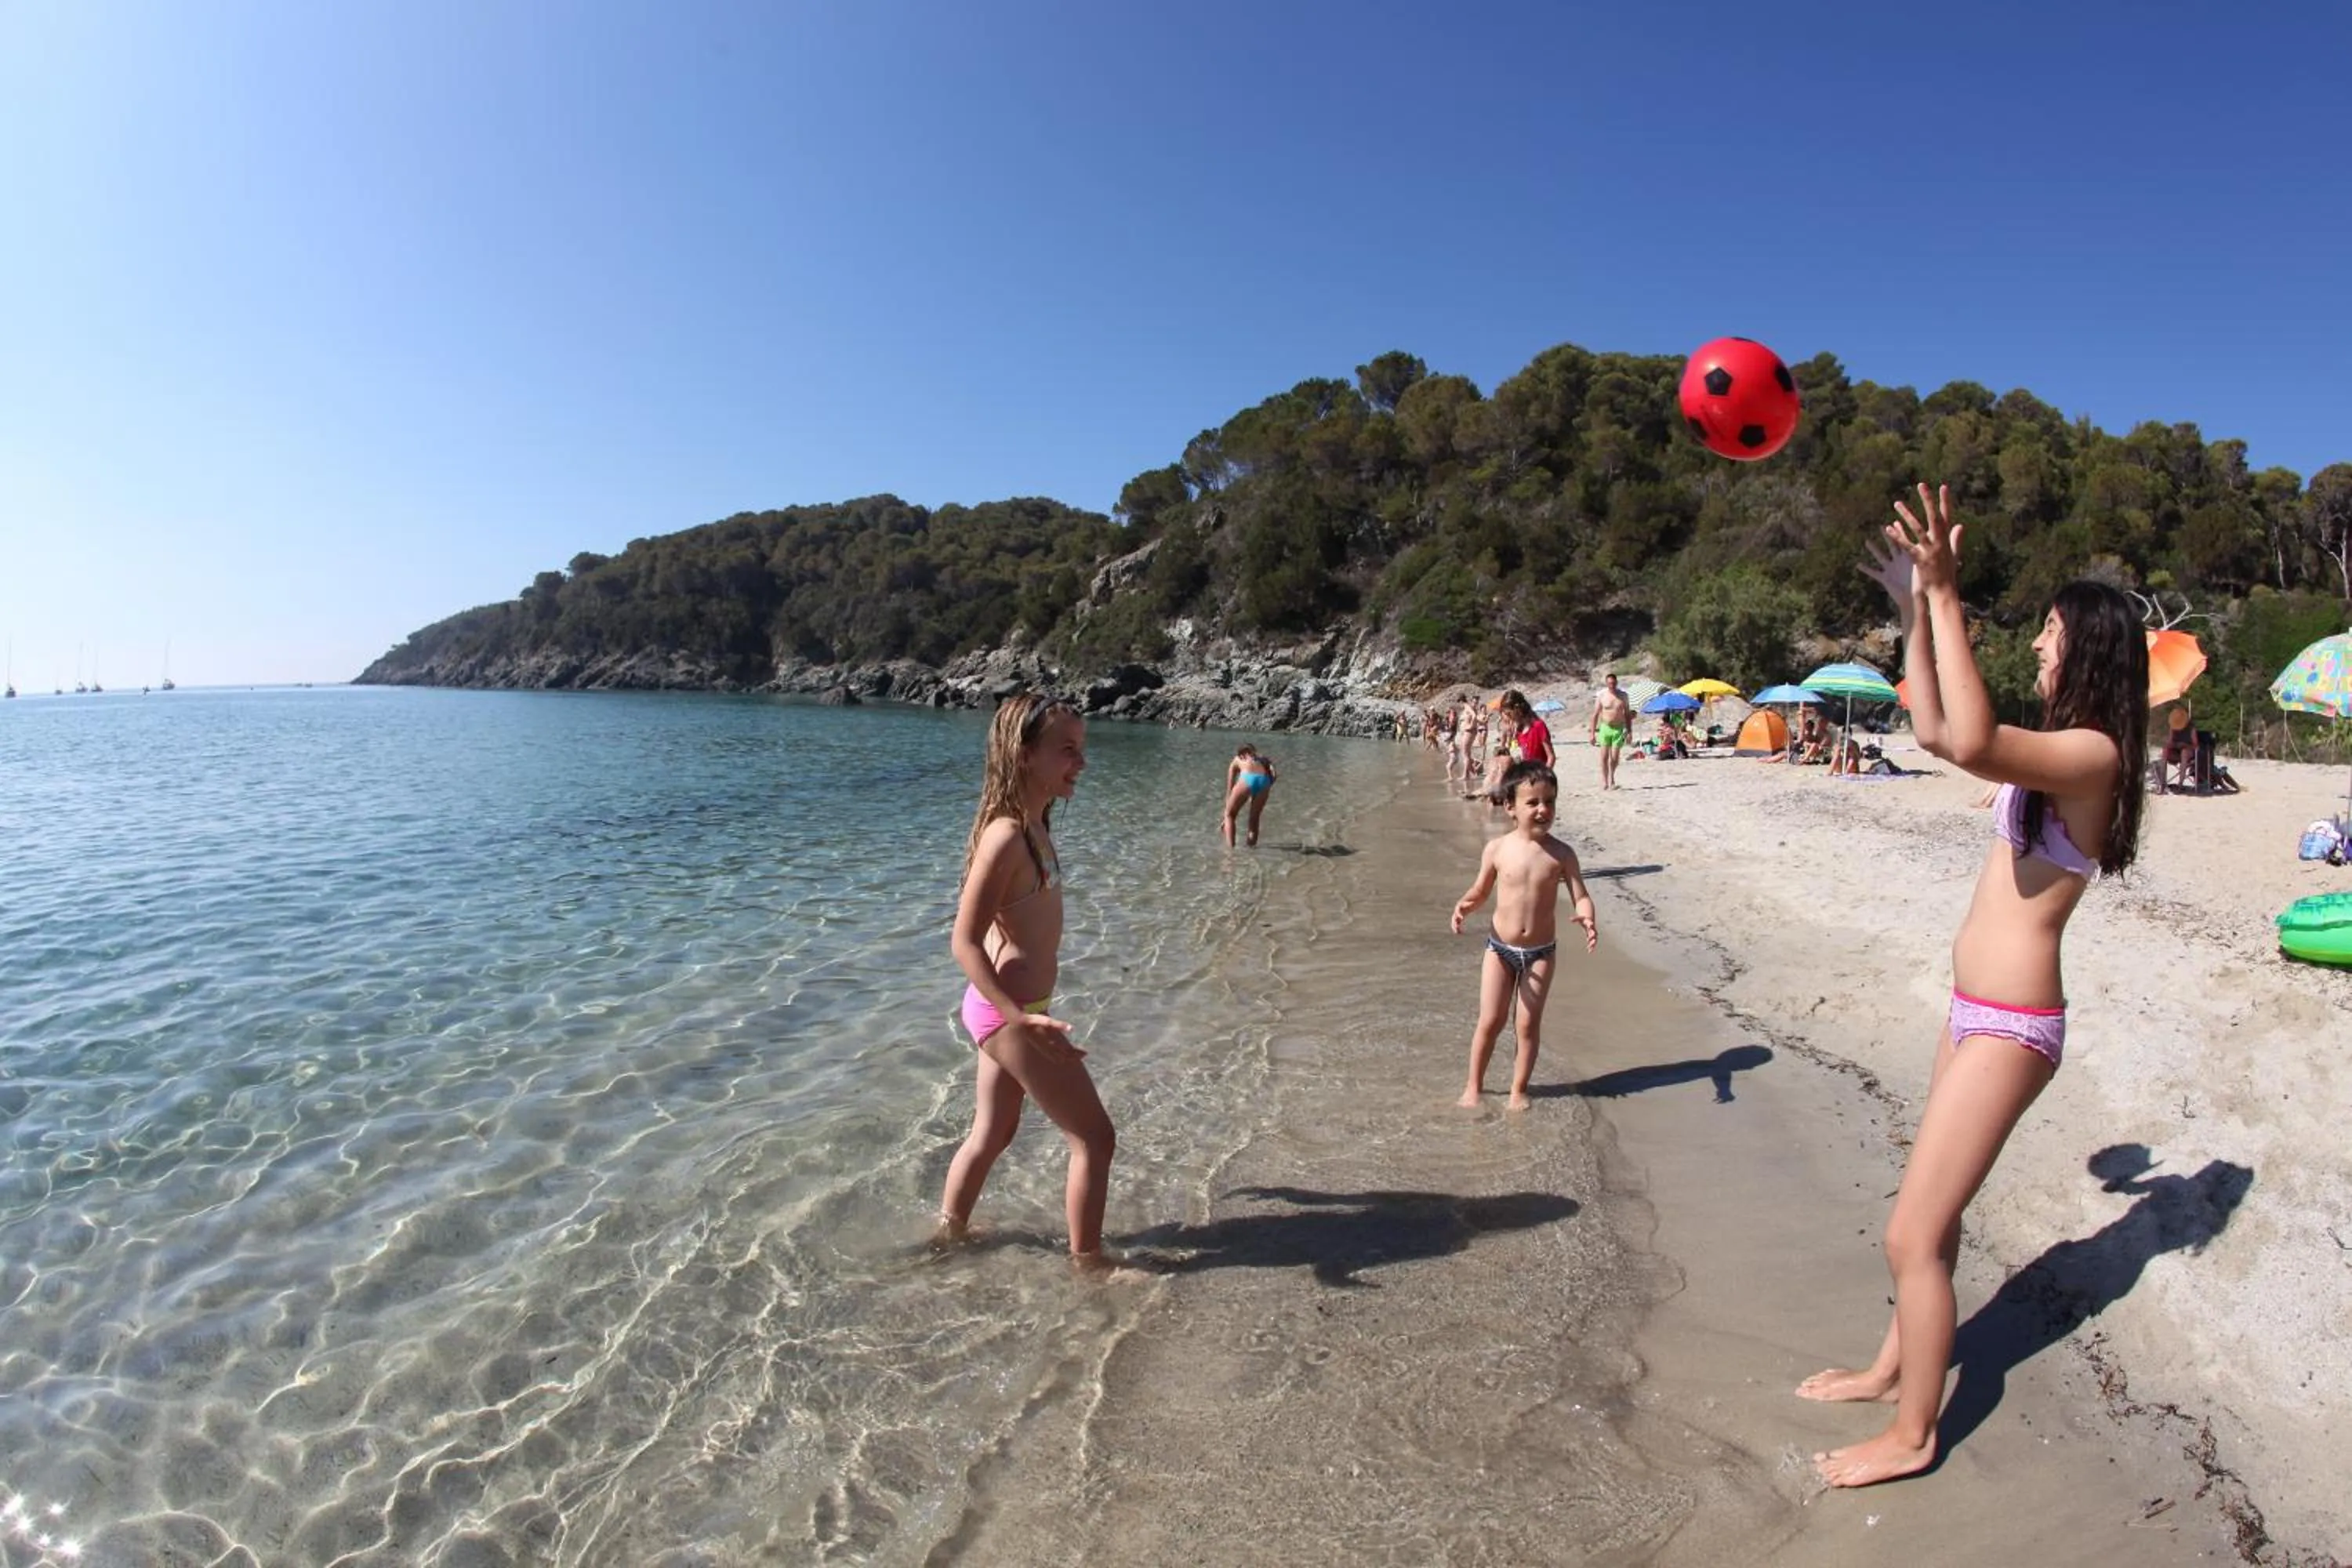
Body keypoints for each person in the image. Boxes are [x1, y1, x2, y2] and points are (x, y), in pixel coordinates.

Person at [1801, 484, 2147, 1487]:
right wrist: (1916, 614)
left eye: (2048, 632)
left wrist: (1946, 593)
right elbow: (1930, 729)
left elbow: (1966, 737)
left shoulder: (2093, 756)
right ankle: (1889, 1367)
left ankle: (1916, 1436)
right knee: (1931, 1220)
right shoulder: (2056, 752)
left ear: (2087, 647)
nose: (2039, 646)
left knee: (1908, 1229)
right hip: (1973, 1011)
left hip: (2014, 1023)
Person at [939, 694, 1119, 1269]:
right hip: (1009, 1012)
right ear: (1023, 755)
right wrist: (1017, 1018)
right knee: (1094, 1138)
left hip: (1015, 1007)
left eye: (1082, 750)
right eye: (1066, 751)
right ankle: (1088, 1266)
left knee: (992, 1133)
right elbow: (963, 941)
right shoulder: (1007, 837)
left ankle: (948, 1234)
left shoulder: (1035, 824)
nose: (1081, 763)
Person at [1450, 760, 1600, 1109]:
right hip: (1499, 949)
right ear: (1510, 807)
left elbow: (1581, 895)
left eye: (1549, 801)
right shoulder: (1498, 849)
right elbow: (1481, 890)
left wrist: (1587, 917)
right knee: (1490, 1020)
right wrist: (1465, 905)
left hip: (1541, 953)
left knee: (1527, 1024)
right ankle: (1474, 1086)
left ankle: (1519, 1090)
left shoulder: (1562, 854)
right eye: (1532, 802)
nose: (1542, 809)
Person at [1222, 743, 1277, 846]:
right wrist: (1263, 788)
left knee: (1230, 815)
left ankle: (1230, 851)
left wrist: (1226, 812)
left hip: (1247, 779)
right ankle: (1250, 849)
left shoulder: (1237, 759)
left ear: (1241, 753)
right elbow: (1274, 775)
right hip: (1264, 782)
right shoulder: (1264, 759)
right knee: (1254, 819)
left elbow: (1230, 787)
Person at [1590, 673, 1632, 789]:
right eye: (1609, 684)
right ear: (1606, 684)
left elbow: (1628, 715)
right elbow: (1595, 715)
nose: (1612, 686)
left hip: (1618, 728)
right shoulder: (1602, 696)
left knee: (1614, 757)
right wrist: (1592, 734)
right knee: (1604, 757)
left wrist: (1629, 732)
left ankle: (1612, 778)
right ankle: (1605, 781)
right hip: (1605, 728)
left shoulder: (1623, 696)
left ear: (1616, 683)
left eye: (1613, 683)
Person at [1500, 690, 1556, 771]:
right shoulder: (1520, 730)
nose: (1509, 718)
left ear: (1517, 709)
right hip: (1527, 776)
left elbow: (1551, 757)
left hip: (1540, 776)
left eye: (1509, 714)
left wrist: (1542, 777)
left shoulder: (1538, 726)